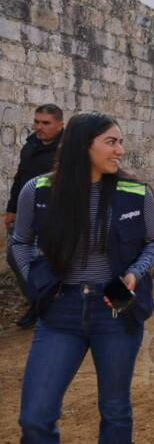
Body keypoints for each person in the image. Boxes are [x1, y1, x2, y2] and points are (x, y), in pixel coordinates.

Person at [11, 111, 154, 444]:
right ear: (84, 146)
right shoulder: (39, 191)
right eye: (111, 142)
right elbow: (20, 242)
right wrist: (37, 285)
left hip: (115, 308)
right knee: (35, 417)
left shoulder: (135, 193)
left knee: (114, 410)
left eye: (120, 142)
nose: (120, 150)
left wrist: (134, 274)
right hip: (60, 311)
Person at [5, 104, 64, 328]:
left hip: (54, 214)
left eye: (46, 123)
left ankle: (51, 305)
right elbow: (20, 177)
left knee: (50, 261)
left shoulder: (68, 150)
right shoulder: (30, 145)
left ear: (60, 125)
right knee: (15, 255)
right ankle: (38, 302)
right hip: (27, 212)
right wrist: (12, 209)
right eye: (37, 122)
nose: (39, 127)